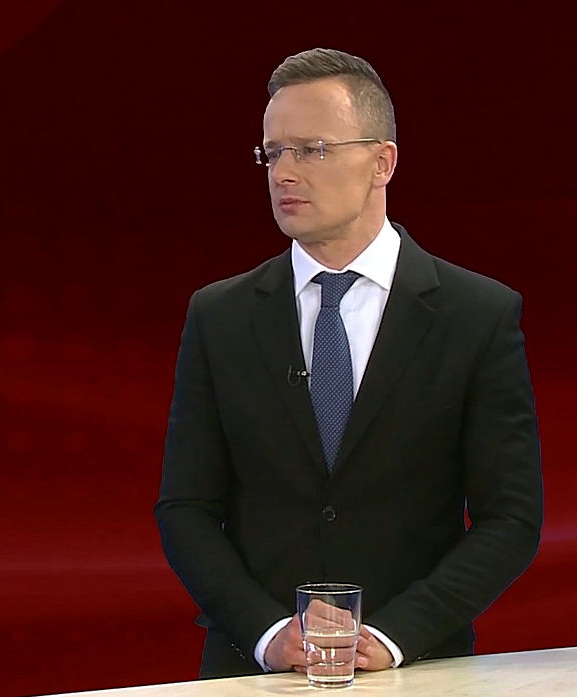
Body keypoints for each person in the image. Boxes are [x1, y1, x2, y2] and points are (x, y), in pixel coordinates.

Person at [153, 48, 543, 679]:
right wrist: (268, 632)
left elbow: (512, 518)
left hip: (417, 671)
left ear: (382, 162)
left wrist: (393, 636)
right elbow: (185, 506)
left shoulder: (476, 315)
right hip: (254, 672)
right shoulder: (219, 316)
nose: (284, 173)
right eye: (273, 153)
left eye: (311, 150)